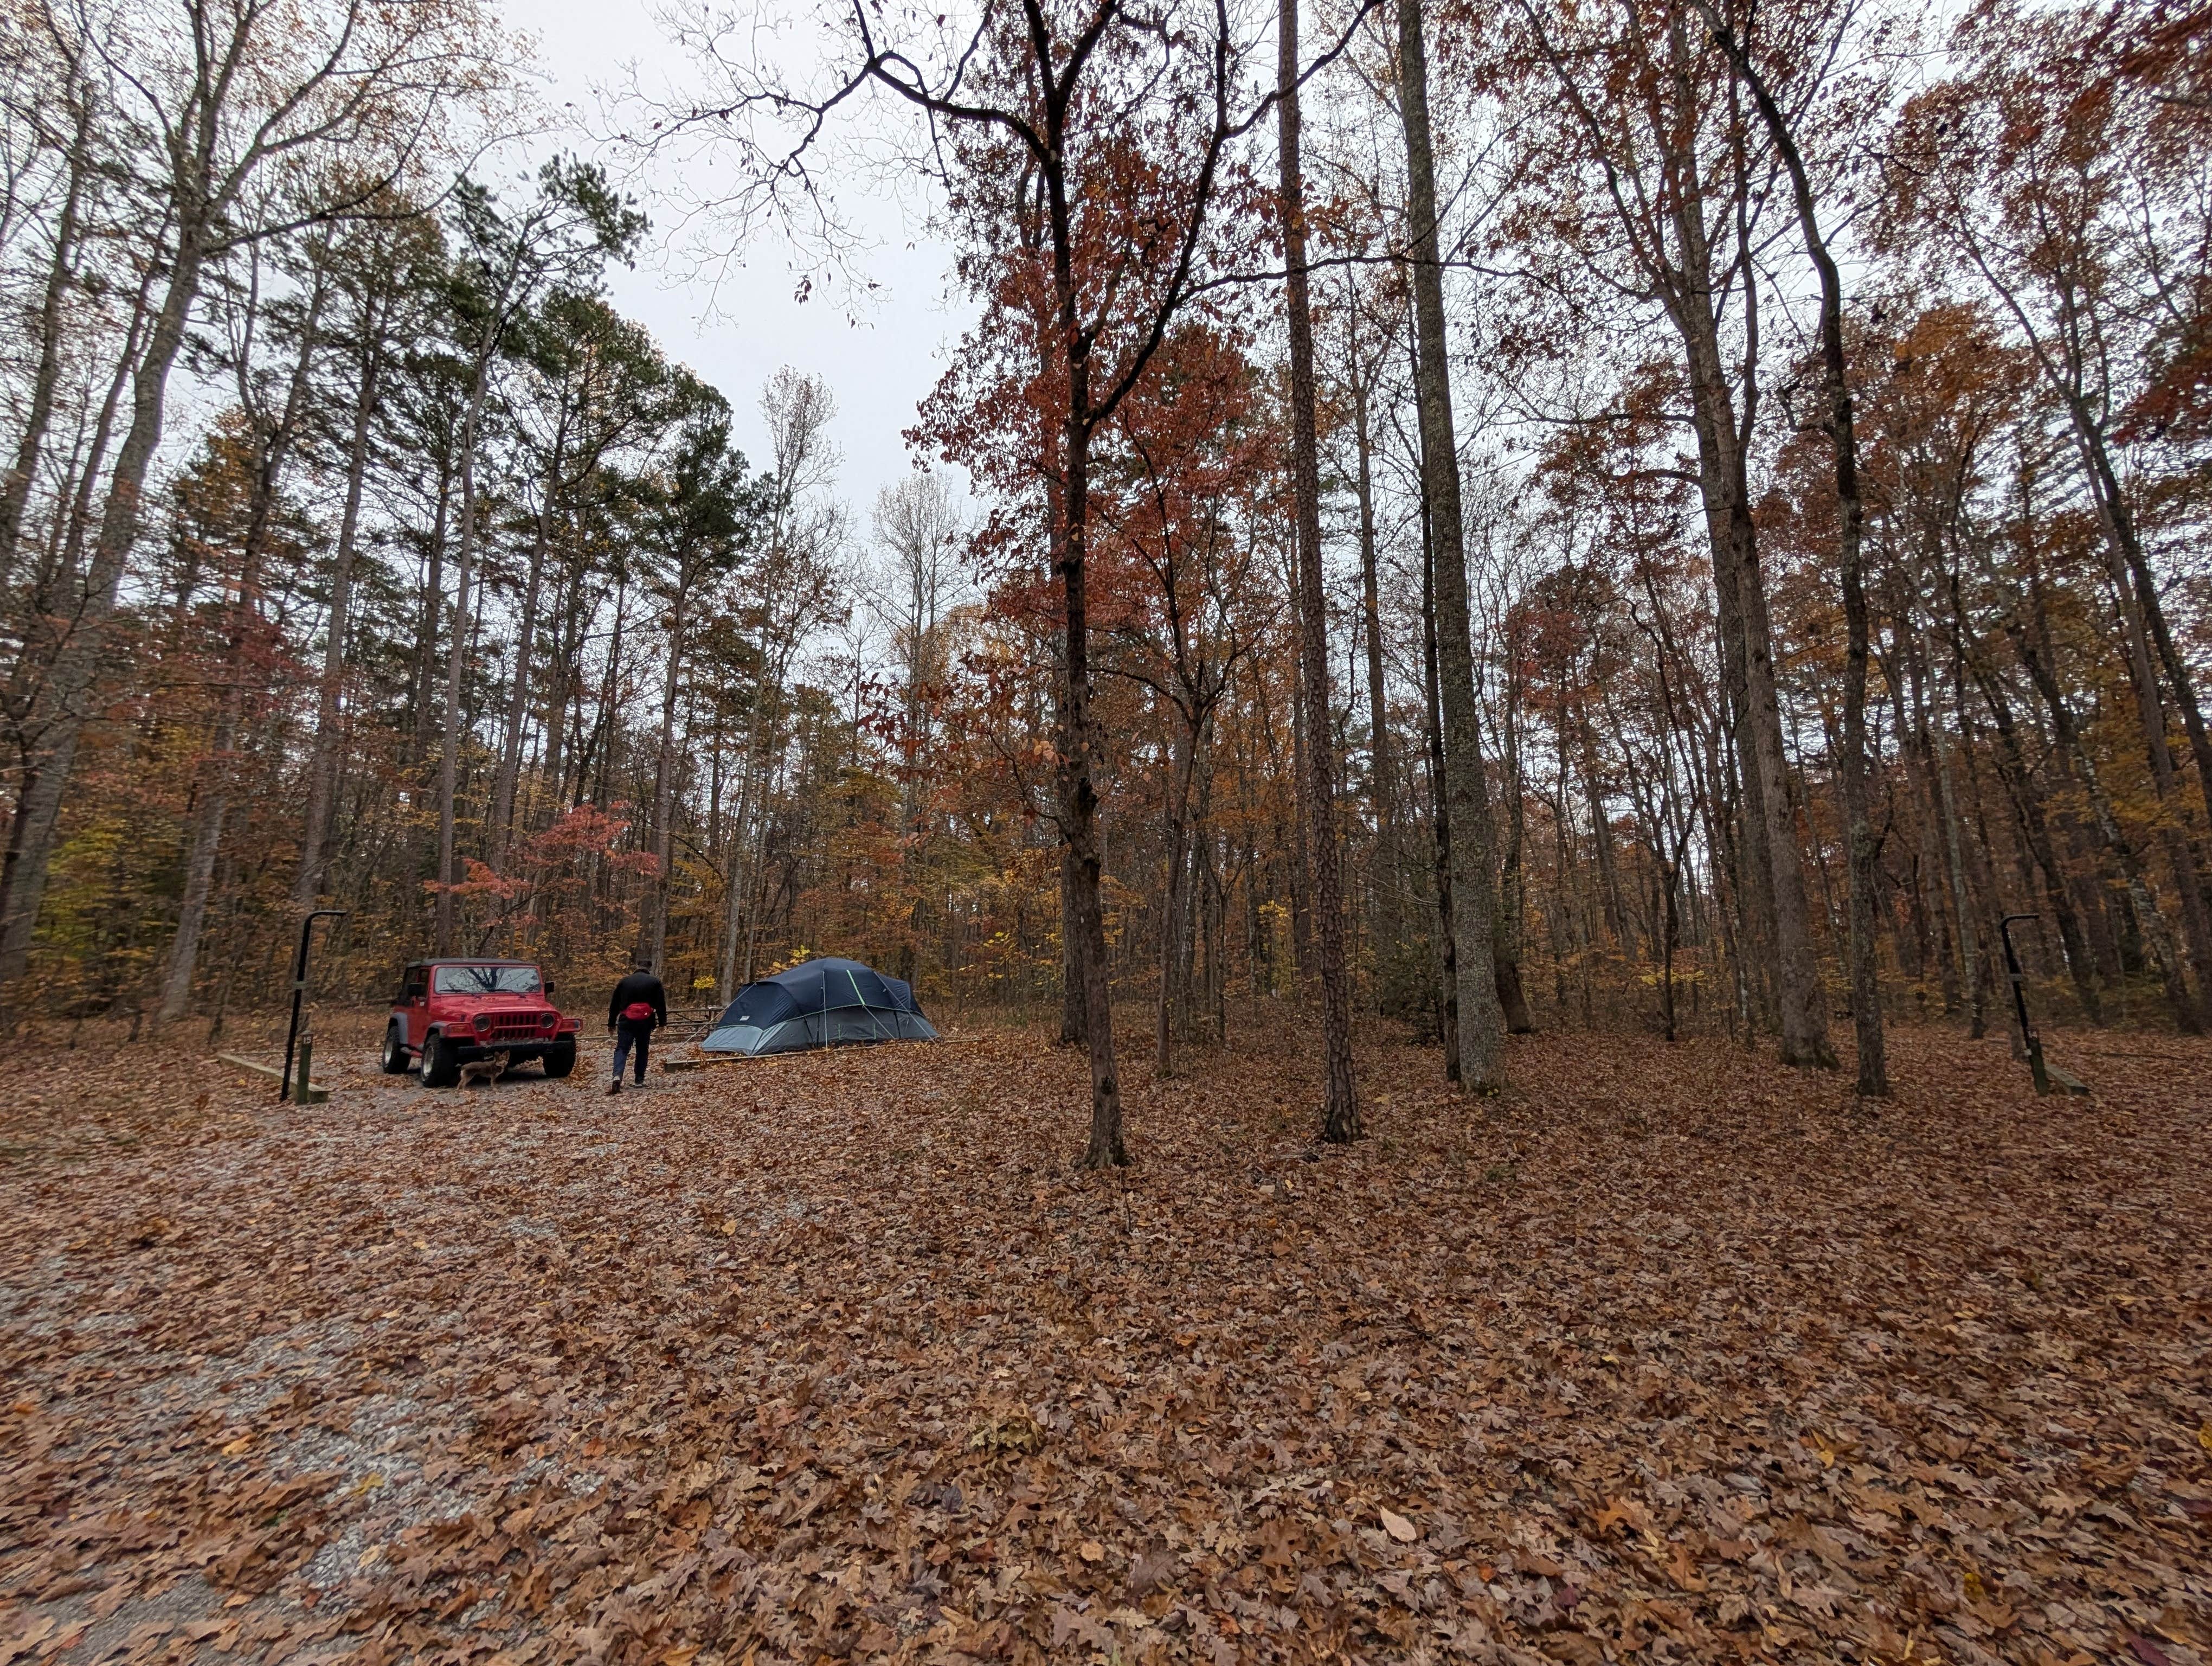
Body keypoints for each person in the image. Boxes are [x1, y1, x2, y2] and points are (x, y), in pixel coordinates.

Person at [606, 961, 667, 1094]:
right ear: (649, 969)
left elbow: (614, 1005)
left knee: (622, 1049)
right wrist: (663, 1023)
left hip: (626, 1020)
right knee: (642, 1049)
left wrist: (611, 1024)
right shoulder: (655, 982)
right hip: (646, 1021)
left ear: (636, 968)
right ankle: (639, 1080)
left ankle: (617, 1076)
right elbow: (661, 1004)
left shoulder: (624, 982)